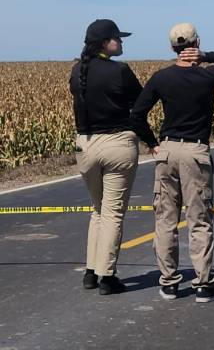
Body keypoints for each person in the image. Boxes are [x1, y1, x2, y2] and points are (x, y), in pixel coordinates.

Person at [131, 23, 214, 303]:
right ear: (196, 43)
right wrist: (204, 55)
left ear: (172, 48)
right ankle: (203, 284)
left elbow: (136, 114)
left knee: (165, 219)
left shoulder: (161, 78)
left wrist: (153, 145)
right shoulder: (206, 77)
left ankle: (169, 282)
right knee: (199, 219)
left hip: (167, 150)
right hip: (195, 150)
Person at [69, 19, 153, 295]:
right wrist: (151, 141)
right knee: (113, 212)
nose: (122, 42)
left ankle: (91, 272)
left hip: (86, 145)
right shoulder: (120, 71)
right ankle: (108, 276)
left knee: (98, 209)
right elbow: (140, 105)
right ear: (105, 42)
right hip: (117, 144)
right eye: (118, 38)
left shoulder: (76, 71)